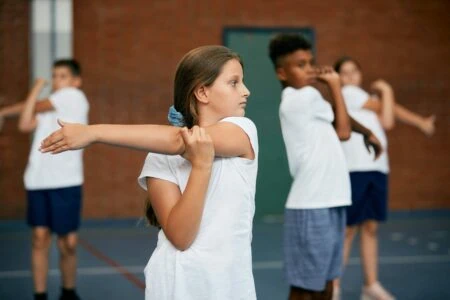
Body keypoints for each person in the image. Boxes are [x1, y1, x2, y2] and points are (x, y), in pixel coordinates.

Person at [40, 45, 258, 300]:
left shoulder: (243, 131)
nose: (246, 91)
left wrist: (93, 132)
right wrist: (201, 166)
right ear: (202, 91)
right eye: (234, 82)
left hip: (228, 288)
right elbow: (181, 236)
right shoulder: (158, 156)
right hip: (173, 286)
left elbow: (180, 141)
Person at [268, 33, 382, 300]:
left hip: (332, 199)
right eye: (300, 65)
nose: (309, 69)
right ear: (282, 73)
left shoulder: (312, 99)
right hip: (312, 203)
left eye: (310, 62)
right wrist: (334, 85)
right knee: (306, 287)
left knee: (328, 282)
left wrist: (367, 132)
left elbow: (336, 114)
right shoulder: (298, 98)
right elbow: (342, 131)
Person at [332, 56, 436, 300]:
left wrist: (420, 122)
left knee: (370, 228)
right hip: (354, 169)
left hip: (377, 168)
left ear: (360, 74)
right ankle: (333, 287)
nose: (349, 76)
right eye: (344, 72)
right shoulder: (348, 93)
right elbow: (388, 119)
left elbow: (390, 111)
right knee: (348, 229)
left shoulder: (367, 100)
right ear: (338, 77)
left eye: (354, 71)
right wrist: (387, 90)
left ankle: (370, 286)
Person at [0, 59, 89, 300]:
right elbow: (25, 124)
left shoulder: (74, 96)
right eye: (54, 75)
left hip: (67, 181)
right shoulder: (50, 108)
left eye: (62, 75)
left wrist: (5, 111)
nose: (57, 80)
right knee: (39, 238)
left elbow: (34, 108)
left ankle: (68, 292)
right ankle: (40, 295)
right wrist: (36, 89)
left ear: (75, 81)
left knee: (68, 243)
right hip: (38, 181)